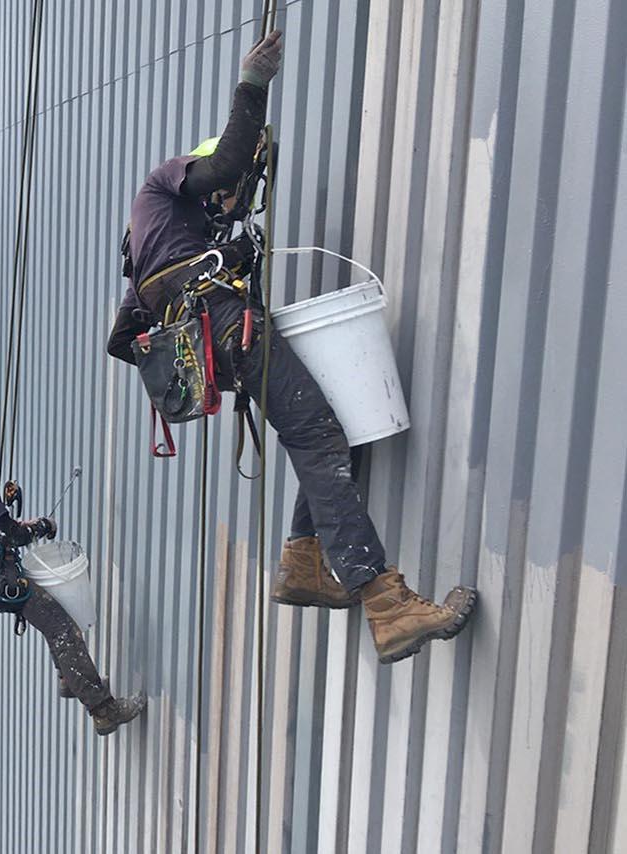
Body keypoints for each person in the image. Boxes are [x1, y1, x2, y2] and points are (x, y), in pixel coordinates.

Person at [106, 30, 476, 665]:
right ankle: (385, 603)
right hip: (225, 327)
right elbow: (224, 166)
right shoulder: (166, 185)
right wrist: (254, 84)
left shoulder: (161, 240)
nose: (229, 198)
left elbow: (124, 337)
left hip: (220, 339)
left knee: (325, 429)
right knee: (321, 436)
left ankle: (304, 561)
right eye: (225, 190)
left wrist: (221, 255)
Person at [0, 413, 146, 735]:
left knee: (49, 614)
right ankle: (103, 710)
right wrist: (40, 527)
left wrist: (15, 530)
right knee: (61, 626)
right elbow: (13, 535)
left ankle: (68, 679)